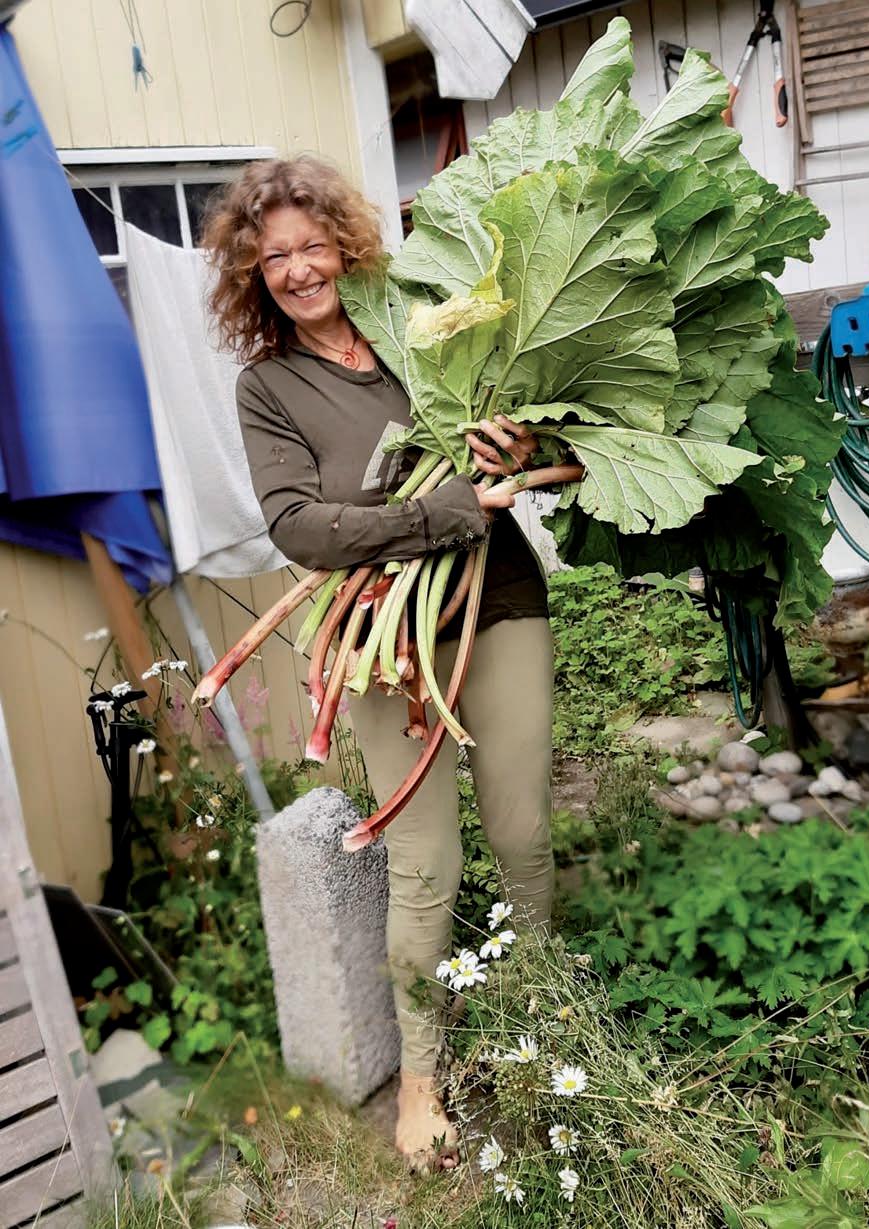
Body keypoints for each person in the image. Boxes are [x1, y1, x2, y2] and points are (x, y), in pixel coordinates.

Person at [203, 156, 555, 1170]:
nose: (298, 269)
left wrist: (513, 445)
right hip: (384, 641)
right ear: (252, 276)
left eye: (313, 245)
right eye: (273, 258)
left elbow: (516, 454)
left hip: (499, 600)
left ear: (346, 247)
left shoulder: (421, 331)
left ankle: (539, 1022)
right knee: (424, 862)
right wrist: (442, 511)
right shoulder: (268, 386)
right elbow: (300, 525)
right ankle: (420, 1080)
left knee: (524, 833)